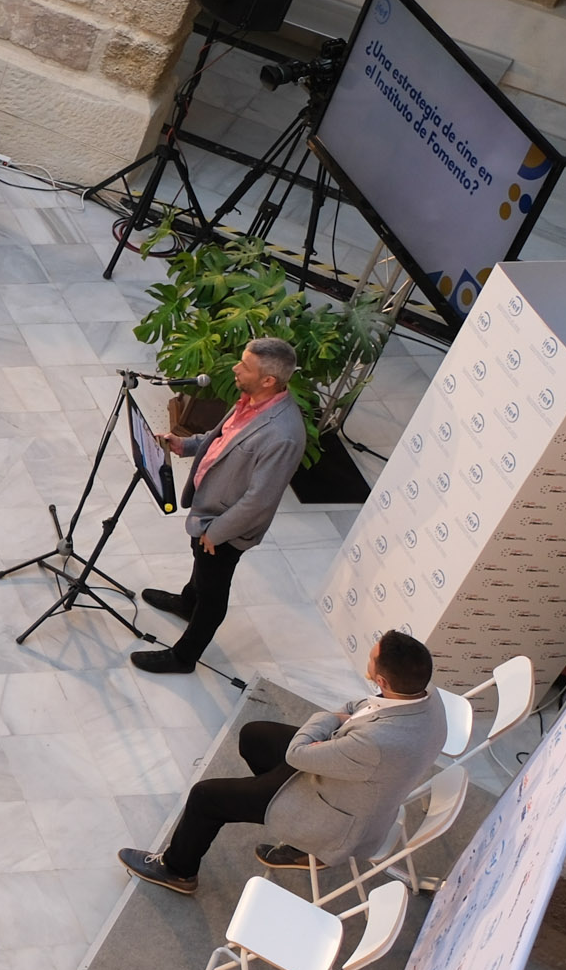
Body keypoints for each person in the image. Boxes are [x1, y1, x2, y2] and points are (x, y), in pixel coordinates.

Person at [120, 631, 445, 892]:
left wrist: (328, 719)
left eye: (371, 660)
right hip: (348, 776)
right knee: (254, 736)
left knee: (206, 797)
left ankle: (178, 871)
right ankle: (269, 798)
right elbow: (358, 704)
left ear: (384, 683)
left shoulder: (375, 743)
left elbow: (299, 753)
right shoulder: (425, 693)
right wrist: (336, 729)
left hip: (334, 816)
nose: (368, 661)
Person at [133, 338, 308, 677]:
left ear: (269, 380)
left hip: (225, 528)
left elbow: (260, 498)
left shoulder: (283, 435)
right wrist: (183, 444)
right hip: (208, 516)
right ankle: (187, 602)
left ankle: (184, 657)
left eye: (244, 366)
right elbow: (220, 441)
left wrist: (217, 531)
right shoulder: (250, 401)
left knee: (213, 592)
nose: (235, 368)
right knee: (200, 565)